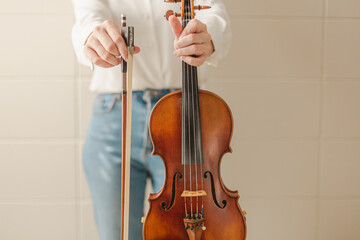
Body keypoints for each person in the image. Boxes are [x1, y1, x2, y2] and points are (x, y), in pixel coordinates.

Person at [71, 0, 232, 239]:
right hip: (115, 115)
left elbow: (214, 12)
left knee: (185, 230)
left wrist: (208, 37)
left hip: (180, 115)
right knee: (118, 233)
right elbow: (87, 18)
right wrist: (92, 39)